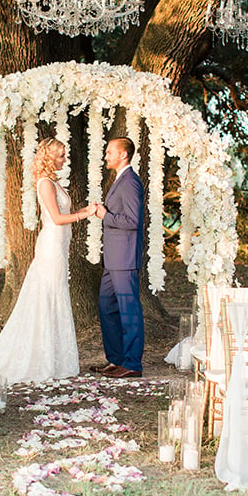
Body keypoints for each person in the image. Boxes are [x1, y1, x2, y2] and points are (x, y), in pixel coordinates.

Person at [0, 138, 96, 386]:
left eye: (64, 154)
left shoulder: (53, 182)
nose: (64, 159)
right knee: (49, 296)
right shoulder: (44, 183)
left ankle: (56, 359)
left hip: (59, 246)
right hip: (51, 246)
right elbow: (56, 218)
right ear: (49, 157)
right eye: (61, 155)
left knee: (56, 295)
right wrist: (86, 212)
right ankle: (42, 359)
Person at [90, 137, 145, 379]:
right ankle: (116, 359)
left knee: (129, 311)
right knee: (107, 307)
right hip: (112, 260)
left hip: (124, 260)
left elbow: (133, 221)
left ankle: (132, 363)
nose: (106, 156)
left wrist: (104, 215)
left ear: (123, 155)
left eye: (110, 151)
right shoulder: (119, 180)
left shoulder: (131, 182)